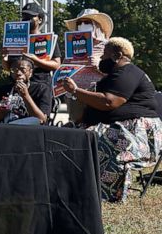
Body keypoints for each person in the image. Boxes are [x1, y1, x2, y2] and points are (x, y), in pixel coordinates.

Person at [58, 37, 162, 202]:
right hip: (116, 126)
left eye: (104, 55)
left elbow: (109, 101)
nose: (100, 60)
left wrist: (76, 90)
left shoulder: (129, 72)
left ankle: (95, 191)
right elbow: (86, 112)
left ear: (117, 55)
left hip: (136, 132)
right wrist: (72, 96)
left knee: (88, 138)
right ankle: (66, 185)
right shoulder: (110, 77)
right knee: (64, 135)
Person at [62, 8, 113, 124]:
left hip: (97, 96)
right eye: (80, 23)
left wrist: (99, 65)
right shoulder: (72, 45)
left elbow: (118, 72)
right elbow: (65, 67)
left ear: (96, 25)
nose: (83, 25)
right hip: (74, 96)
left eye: (87, 22)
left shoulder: (108, 46)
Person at [5, 2, 60, 87]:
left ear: (40, 19)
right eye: (24, 16)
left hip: (41, 85)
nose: (26, 19)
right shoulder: (14, 39)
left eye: (31, 16)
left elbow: (56, 65)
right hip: (17, 85)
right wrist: (3, 58)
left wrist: (36, 60)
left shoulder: (49, 39)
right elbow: (8, 67)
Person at [0, 58, 53, 125]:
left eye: (23, 70)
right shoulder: (0, 91)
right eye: (14, 70)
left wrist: (25, 95)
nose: (18, 73)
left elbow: (41, 120)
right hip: (5, 130)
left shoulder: (41, 89)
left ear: (30, 72)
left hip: (30, 131)